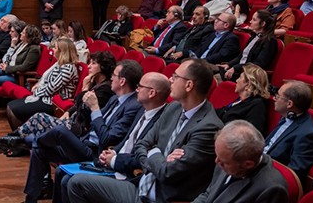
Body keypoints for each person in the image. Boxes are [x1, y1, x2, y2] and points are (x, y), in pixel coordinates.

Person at [69, 59, 223, 203]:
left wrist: (154, 152)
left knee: (76, 183)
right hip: (142, 185)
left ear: (189, 85)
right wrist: (158, 155)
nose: (170, 80)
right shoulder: (174, 108)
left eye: (175, 77)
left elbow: (167, 173)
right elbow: (142, 144)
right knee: (75, 182)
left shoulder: (208, 127)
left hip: (161, 197)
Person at [19, 60, 143, 203]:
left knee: (59, 131)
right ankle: (31, 199)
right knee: (39, 150)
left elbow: (107, 139)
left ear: (122, 81)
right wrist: (85, 101)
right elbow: (89, 120)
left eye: (114, 75)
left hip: (96, 153)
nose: (111, 78)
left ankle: (27, 140)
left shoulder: (133, 106)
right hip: (83, 142)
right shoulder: (115, 98)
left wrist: (95, 108)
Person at [0, 51, 117, 158]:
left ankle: (7, 143)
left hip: (82, 130)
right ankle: (8, 142)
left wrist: (85, 88)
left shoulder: (104, 89)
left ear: (103, 67)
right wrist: (68, 112)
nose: (89, 66)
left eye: (93, 63)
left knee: (39, 119)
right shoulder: (95, 82)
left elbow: (85, 110)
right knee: (38, 121)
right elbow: (77, 105)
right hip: (74, 121)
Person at [62, 72, 170, 202]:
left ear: (151, 93)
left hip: (129, 173)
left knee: (72, 182)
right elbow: (127, 140)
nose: (137, 89)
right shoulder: (141, 109)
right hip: (113, 160)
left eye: (140, 86)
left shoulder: (163, 121)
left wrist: (114, 159)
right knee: (63, 176)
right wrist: (114, 151)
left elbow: (143, 157)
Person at [191, 120, 289, 203]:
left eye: (224, 162)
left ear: (248, 164)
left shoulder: (271, 189)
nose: (217, 161)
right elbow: (208, 195)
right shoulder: (225, 157)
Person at [5, 37, 80, 129]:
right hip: (45, 97)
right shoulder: (59, 64)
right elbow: (46, 81)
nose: (53, 50)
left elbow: (51, 88)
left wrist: (36, 92)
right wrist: (37, 86)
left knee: (13, 109)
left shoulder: (68, 68)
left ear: (62, 52)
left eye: (55, 48)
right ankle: (19, 135)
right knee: (10, 106)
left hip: (53, 103)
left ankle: (19, 136)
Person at [265, 80, 313, 182]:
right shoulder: (287, 116)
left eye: (278, 96)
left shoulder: (308, 136)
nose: (274, 98)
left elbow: (292, 176)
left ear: (289, 104)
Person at [218, 10, 278, 82]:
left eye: (254, 20)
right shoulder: (253, 37)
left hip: (249, 75)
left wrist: (235, 68)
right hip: (239, 69)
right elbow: (241, 56)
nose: (250, 21)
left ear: (263, 24)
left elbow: (258, 64)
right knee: (208, 69)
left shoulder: (270, 41)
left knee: (212, 76)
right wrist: (229, 65)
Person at [215, 64, 271, 136]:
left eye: (240, 78)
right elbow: (222, 112)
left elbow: (252, 136)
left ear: (248, 84)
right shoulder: (241, 100)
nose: (236, 80)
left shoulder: (257, 106)